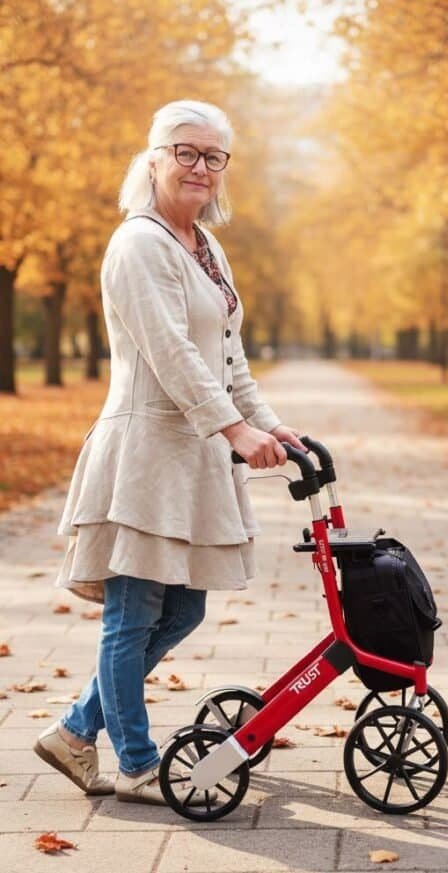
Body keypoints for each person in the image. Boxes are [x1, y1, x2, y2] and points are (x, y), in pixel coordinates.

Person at [34, 99, 305, 805]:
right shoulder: (139, 243)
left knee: (183, 612)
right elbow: (171, 353)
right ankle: (135, 760)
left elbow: (227, 356)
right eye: (185, 151)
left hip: (192, 457)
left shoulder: (206, 250)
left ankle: (73, 729)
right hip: (146, 454)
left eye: (213, 156)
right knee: (132, 615)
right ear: (153, 157)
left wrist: (269, 425)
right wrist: (233, 431)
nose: (199, 167)